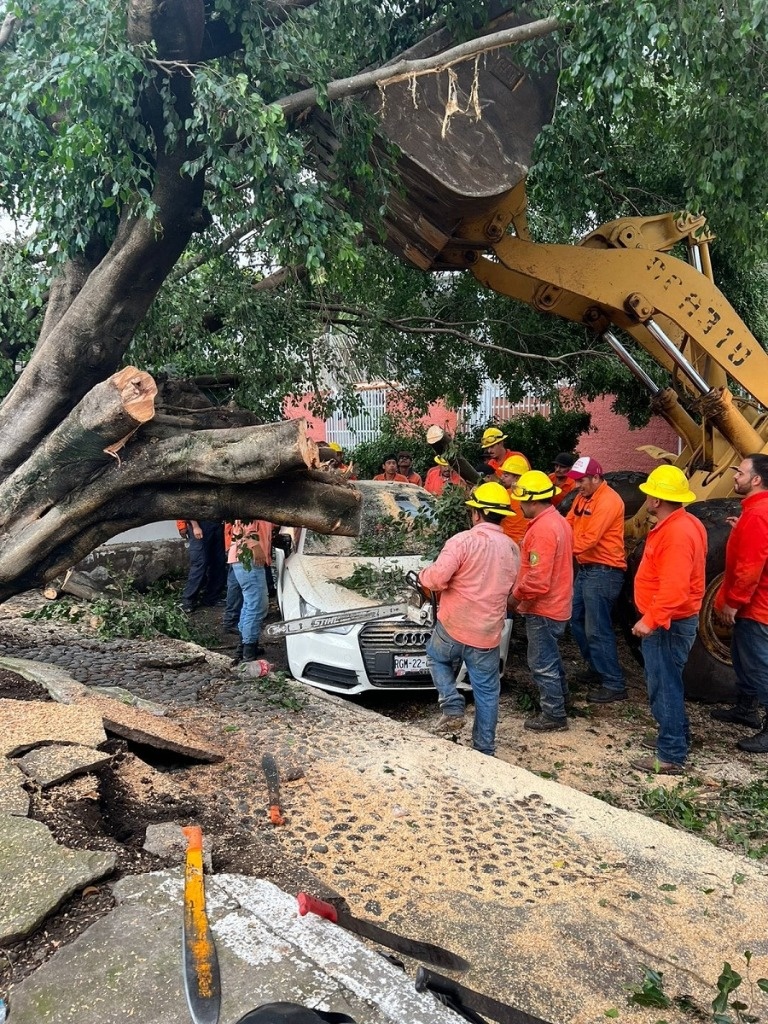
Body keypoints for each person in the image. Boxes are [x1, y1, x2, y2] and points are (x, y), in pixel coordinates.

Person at [419, 482, 520, 756]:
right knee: (487, 692)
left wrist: (423, 575)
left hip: (453, 627)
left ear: (477, 514)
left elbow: (437, 579)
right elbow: (514, 588)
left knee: (435, 657)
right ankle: (484, 750)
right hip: (487, 634)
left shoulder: (462, 541)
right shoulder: (513, 549)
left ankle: (452, 704)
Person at [629, 466, 707, 775]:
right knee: (669, 681)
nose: (646, 496)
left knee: (664, 685)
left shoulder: (676, 534)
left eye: (650, 492)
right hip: (673, 620)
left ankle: (671, 753)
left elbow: (675, 588)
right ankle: (677, 735)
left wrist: (650, 619)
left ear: (657, 500)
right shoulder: (686, 523)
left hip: (667, 623)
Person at [712, 454, 768, 753]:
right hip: (754, 605)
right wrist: (741, 528)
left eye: (740, 472)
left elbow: (750, 567)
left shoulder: (758, 515)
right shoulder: (754, 513)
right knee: (744, 659)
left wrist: (733, 601)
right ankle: (746, 709)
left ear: (756, 479)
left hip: (756, 607)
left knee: (759, 666)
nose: (735, 476)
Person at [510, 470, 574, 731]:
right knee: (551, 658)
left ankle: (554, 715)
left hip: (544, 608)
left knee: (541, 663)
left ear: (533, 500)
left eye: (521, 501)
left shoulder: (544, 530)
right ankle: (562, 700)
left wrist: (514, 599)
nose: (519, 506)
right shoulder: (557, 522)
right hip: (557, 604)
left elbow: (537, 580)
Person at [565, 456, 628, 702]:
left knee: (597, 629)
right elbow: (568, 523)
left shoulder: (609, 501)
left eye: (582, 481)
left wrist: (556, 549)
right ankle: (597, 668)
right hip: (589, 570)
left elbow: (588, 540)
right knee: (576, 619)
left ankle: (614, 683)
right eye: (577, 481)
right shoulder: (583, 497)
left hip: (604, 572)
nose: (578, 485)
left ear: (596, 477)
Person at [229, 519, 273, 662]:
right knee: (257, 605)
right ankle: (248, 654)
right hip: (249, 559)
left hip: (245, 559)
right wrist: (255, 546)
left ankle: (244, 648)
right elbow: (240, 531)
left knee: (250, 604)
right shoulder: (252, 504)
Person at [179, 520, 227, 613]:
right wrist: (195, 526)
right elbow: (189, 507)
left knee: (218, 561)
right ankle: (188, 600)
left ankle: (212, 597)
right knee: (200, 563)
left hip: (217, 523)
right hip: (200, 524)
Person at [498, 454, 531, 546]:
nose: (502, 478)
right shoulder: (532, 495)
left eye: (506, 475)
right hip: (525, 542)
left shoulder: (506, 494)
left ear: (517, 478)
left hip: (507, 543)